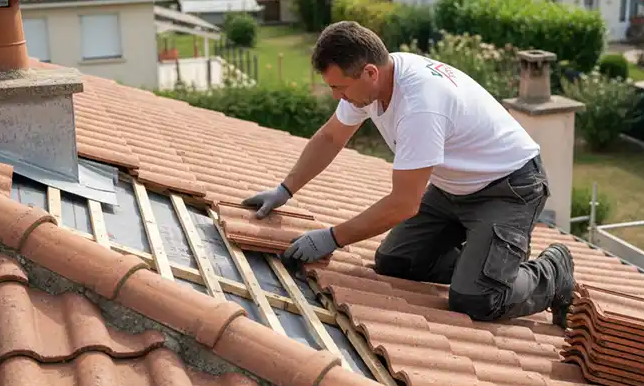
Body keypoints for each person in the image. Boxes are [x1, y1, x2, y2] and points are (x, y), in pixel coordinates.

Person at [242, 21, 576, 327]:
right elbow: (331, 137)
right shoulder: (375, 80)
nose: (336, 96)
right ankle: (485, 263)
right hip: (453, 188)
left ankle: (552, 269)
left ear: (369, 72)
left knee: (477, 299)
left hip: (509, 188)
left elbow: (403, 204)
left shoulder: (419, 105)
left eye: (339, 87)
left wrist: (331, 238)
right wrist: (285, 189)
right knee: (396, 262)